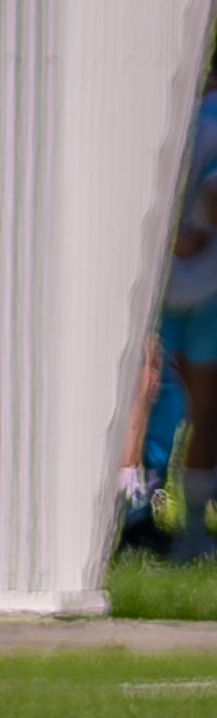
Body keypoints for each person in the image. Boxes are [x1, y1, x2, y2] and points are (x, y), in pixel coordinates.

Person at [157, 51, 217, 563]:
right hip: (207, 290)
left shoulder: (186, 112)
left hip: (163, 288)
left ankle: (147, 515)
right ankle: (192, 536)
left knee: (158, 409)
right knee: (206, 415)